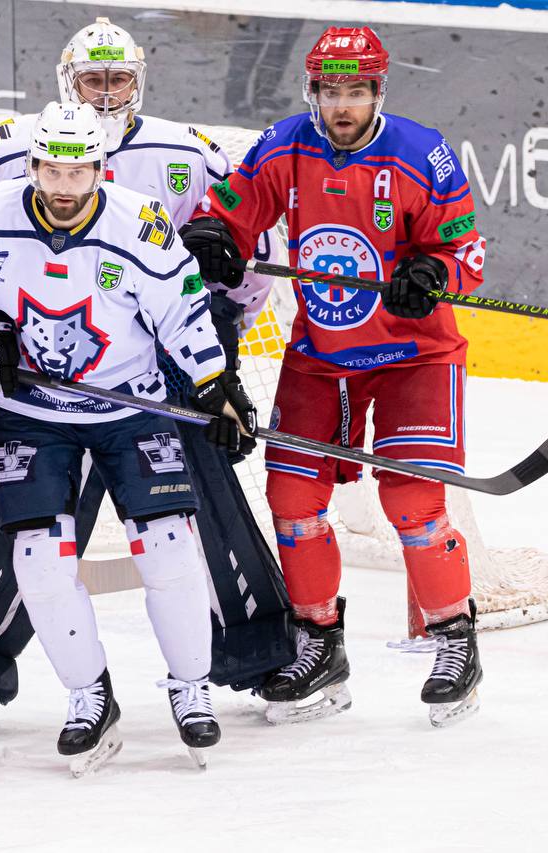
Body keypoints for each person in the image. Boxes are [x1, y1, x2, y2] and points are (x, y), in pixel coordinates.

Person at [0, 16, 292, 719]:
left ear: (138, 81)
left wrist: (228, 297)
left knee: (194, 506)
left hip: (173, 352)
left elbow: (250, 241)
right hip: (46, 363)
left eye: (117, 79)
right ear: (66, 83)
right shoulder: (8, 147)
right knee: (35, 522)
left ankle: (254, 653)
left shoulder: (187, 149)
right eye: (92, 80)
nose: (106, 93)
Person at [181, 27, 488, 727]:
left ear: (379, 91)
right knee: (292, 497)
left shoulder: (423, 155)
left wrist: (432, 271)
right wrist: (217, 239)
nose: (341, 105)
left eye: (355, 91)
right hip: (321, 356)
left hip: (414, 356)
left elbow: (468, 254)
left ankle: (454, 640)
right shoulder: (285, 145)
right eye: (329, 91)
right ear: (312, 92)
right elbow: (230, 212)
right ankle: (318, 644)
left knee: (413, 502)